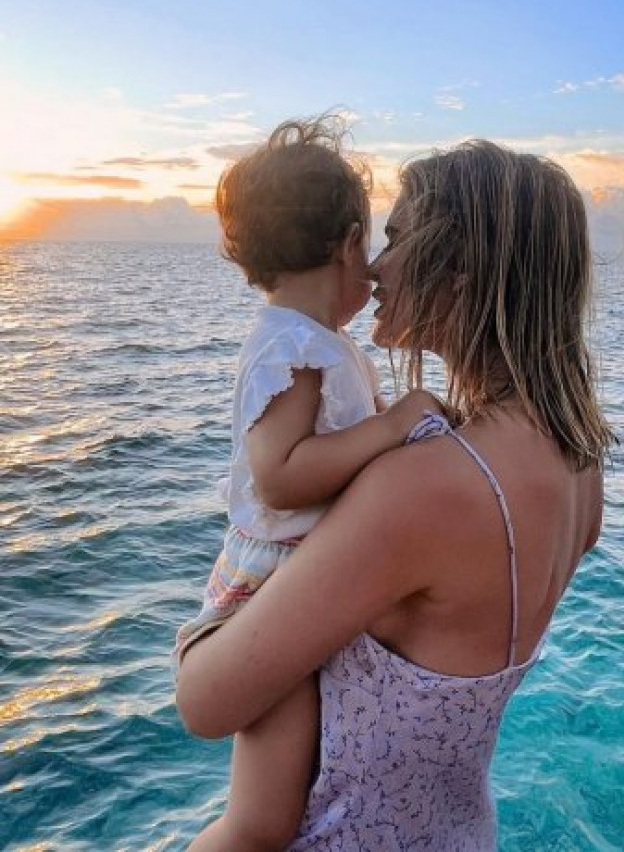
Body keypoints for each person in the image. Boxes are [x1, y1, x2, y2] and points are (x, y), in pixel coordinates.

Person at [178, 139, 615, 851]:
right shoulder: (579, 467)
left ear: (463, 271)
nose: (374, 264)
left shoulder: (423, 488)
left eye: (396, 237)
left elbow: (204, 702)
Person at [176, 117, 440, 852]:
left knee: (297, 795)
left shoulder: (315, 343)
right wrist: (390, 429)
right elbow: (282, 476)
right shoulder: (293, 346)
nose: (380, 264)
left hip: (297, 576)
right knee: (262, 820)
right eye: (374, 245)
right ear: (348, 242)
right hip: (269, 586)